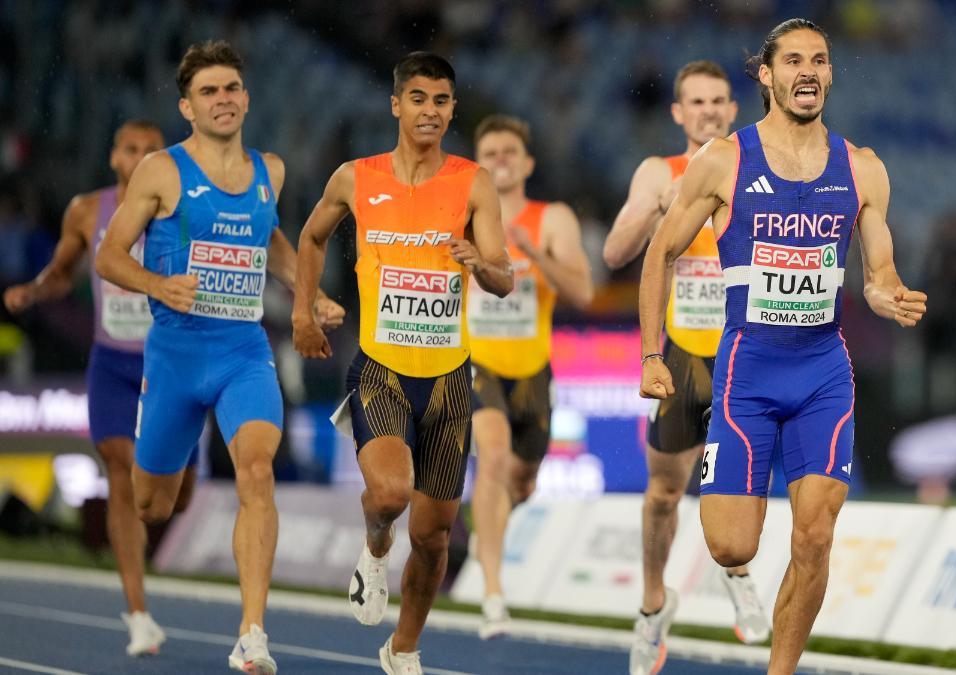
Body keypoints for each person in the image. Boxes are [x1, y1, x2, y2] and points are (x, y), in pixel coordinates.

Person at [637, 20, 928, 675]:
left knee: (816, 534)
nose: (808, 71)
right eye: (793, 60)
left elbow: (880, 270)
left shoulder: (862, 167)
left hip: (824, 371)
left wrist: (884, 292)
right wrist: (653, 354)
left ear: (828, 74)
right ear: (765, 75)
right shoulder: (724, 160)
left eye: (819, 60)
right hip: (748, 370)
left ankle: (781, 669)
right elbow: (660, 251)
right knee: (730, 545)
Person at [95, 40, 344, 675]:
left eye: (232, 87)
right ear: (187, 106)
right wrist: (157, 285)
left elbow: (272, 243)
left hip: (243, 352)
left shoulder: (272, 171)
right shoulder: (161, 171)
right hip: (175, 358)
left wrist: (310, 296)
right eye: (209, 91)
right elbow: (110, 256)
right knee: (154, 503)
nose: (223, 99)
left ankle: (253, 635)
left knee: (256, 471)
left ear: (247, 98)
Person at [291, 52, 513, 675]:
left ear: (452, 109)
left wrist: (481, 262)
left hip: (449, 382)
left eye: (441, 101)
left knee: (436, 535)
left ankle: (403, 649)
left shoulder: (473, 182)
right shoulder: (354, 178)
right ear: (396, 104)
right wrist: (304, 311)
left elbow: (505, 277)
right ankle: (373, 544)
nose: (430, 112)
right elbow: (310, 238)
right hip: (382, 370)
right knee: (388, 495)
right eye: (418, 98)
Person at [3, 120, 200, 657]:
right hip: (112, 363)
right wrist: (34, 290)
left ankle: (180, 473)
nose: (139, 157)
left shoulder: (186, 210)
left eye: (150, 150)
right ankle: (138, 613)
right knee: (119, 465)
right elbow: (63, 272)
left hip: (172, 366)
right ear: (114, 156)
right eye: (130, 149)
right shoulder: (86, 212)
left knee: (176, 499)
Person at [604, 60, 770, 674]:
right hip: (680, 352)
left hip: (741, 350)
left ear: (733, 108)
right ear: (678, 112)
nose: (708, 110)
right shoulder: (659, 171)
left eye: (719, 100)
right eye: (695, 102)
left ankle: (737, 571)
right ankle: (653, 604)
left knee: (742, 481)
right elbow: (615, 253)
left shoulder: (752, 167)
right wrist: (658, 209)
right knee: (665, 492)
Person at [468, 114, 594, 639]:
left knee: (520, 481)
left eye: (509, 152)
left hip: (533, 372)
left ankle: (489, 527)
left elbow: (583, 294)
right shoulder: (461, 216)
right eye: (490, 152)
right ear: (478, 163)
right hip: (477, 363)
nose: (500, 160)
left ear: (528, 163)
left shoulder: (553, 218)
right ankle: (493, 593)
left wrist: (534, 253)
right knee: (493, 459)